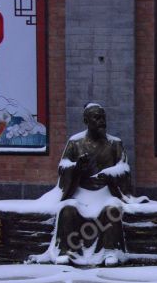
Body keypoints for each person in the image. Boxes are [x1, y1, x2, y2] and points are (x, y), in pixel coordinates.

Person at [53, 103, 132, 265]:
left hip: (106, 192)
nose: (101, 121)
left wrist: (109, 174)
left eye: (103, 117)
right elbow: (63, 167)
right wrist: (76, 167)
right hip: (81, 193)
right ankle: (68, 250)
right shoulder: (75, 142)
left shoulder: (115, 143)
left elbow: (124, 168)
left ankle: (109, 251)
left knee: (112, 210)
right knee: (68, 210)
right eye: (96, 117)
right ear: (86, 120)